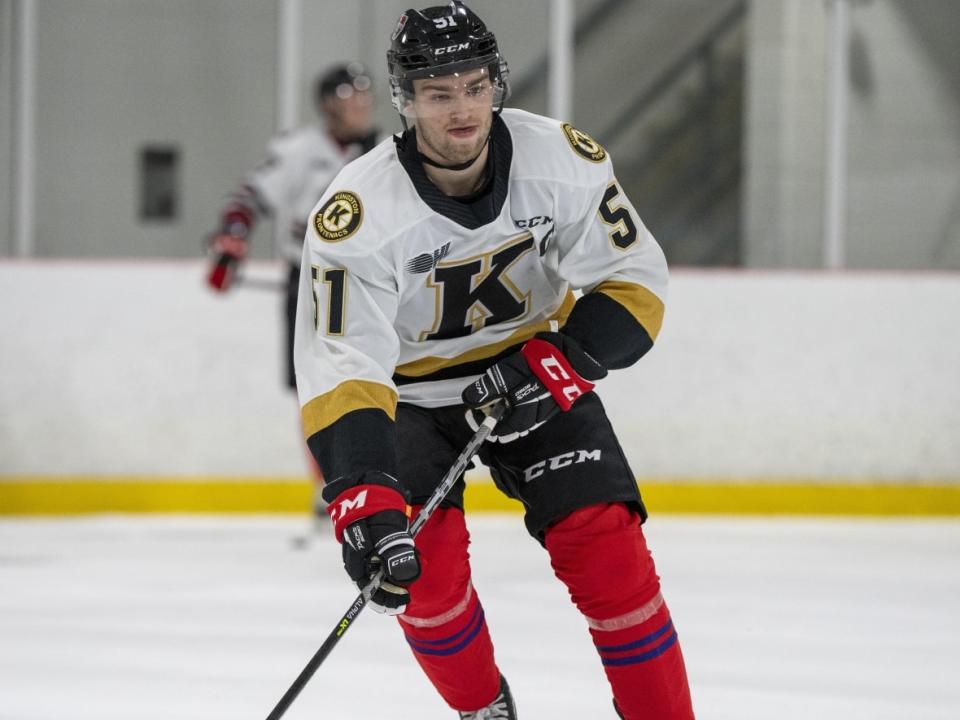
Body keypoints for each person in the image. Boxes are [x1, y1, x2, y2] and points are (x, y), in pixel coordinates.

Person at [294, 2, 694, 717]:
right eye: (439, 94)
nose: (462, 110)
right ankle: (485, 709)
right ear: (406, 101)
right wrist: (365, 499)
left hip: (535, 366)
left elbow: (635, 282)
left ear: (497, 84)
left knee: (610, 554)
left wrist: (563, 362)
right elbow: (343, 363)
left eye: (475, 87)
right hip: (412, 397)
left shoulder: (561, 162)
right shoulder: (357, 210)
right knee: (425, 578)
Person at [206, 62, 379, 522]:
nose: (361, 103)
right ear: (327, 104)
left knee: (383, 379)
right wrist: (232, 240)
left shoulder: (384, 152)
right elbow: (248, 197)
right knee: (314, 388)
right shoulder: (301, 149)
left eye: (365, 94)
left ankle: (383, 482)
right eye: (349, 95)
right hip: (308, 285)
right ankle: (331, 488)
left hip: (373, 284)